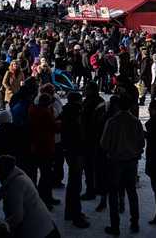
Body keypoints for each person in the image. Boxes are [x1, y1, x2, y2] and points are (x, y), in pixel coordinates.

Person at [0, 155, 59, 238]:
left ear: (4, 172)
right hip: (44, 227)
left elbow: (18, 217)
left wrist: (1, 227)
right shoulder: (14, 176)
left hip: (38, 232)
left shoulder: (17, 184)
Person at [100, 95, 145, 236]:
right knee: (132, 192)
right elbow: (141, 143)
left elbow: (104, 143)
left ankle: (115, 226)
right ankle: (135, 222)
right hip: (131, 162)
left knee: (113, 193)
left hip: (115, 161)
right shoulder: (136, 122)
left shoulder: (112, 122)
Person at [60, 91, 90, 228]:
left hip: (69, 150)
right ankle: (75, 215)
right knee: (75, 184)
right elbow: (80, 133)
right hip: (76, 151)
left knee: (73, 182)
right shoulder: (76, 113)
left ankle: (69, 212)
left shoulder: (65, 111)